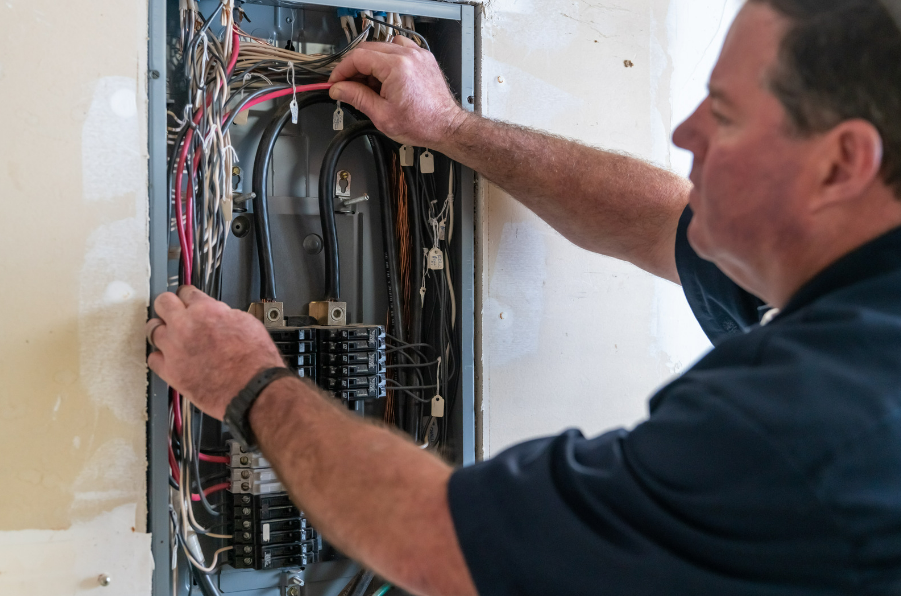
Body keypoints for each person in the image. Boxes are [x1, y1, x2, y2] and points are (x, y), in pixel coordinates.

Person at [146, 1, 901, 594]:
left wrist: (246, 382)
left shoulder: (809, 418)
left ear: (841, 163)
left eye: (725, 114)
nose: (684, 130)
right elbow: (661, 219)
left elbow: (441, 544)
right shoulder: (865, 288)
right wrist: (447, 127)